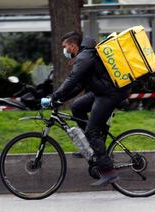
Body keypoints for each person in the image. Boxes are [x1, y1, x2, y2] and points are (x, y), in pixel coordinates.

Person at [43, 31, 131, 187]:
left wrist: (53, 96)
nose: (64, 51)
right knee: (77, 106)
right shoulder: (86, 55)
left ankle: (108, 172)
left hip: (109, 94)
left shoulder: (84, 57)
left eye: (65, 47)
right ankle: (92, 147)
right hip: (103, 91)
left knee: (92, 131)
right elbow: (79, 85)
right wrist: (60, 99)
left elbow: (72, 79)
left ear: (72, 45)